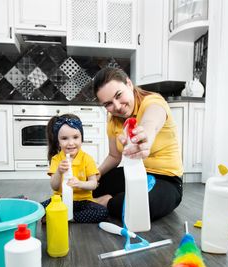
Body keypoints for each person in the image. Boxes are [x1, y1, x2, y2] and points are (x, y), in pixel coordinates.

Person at [92, 67, 183, 221]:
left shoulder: (153, 101)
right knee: (92, 186)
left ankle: (108, 202)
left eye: (119, 95)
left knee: (139, 207)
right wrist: (96, 174)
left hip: (166, 179)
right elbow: (114, 156)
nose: (117, 107)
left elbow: (151, 122)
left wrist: (145, 136)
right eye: (108, 104)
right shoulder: (112, 119)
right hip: (133, 174)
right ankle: (110, 198)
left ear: (129, 83)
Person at [41, 114, 108, 223]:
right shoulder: (57, 159)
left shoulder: (87, 159)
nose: (71, 143)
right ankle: (60, 214)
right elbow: (54, 186)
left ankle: (69, 217)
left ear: (82, 138)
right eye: (64, 138)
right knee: (39, 209)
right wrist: (58, 171)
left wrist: (79, 183)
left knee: (102, 212)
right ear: (58, 141)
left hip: (83, 201)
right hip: (60, 200)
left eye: (75, 137)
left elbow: (93, 184)